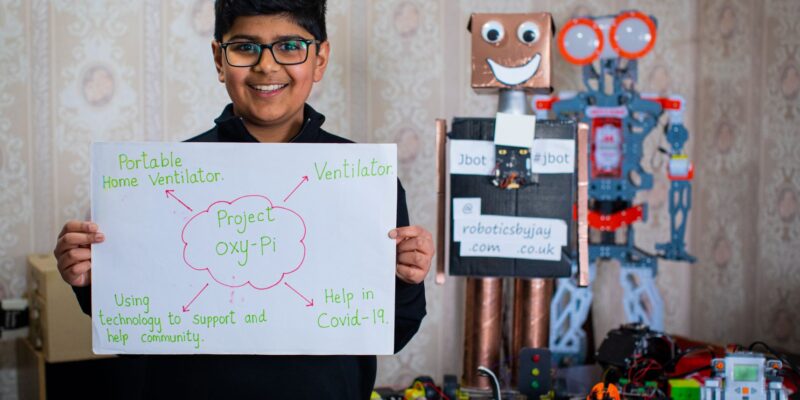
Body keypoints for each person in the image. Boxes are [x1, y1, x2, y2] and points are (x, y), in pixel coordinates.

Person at [52, 1, 433, 398]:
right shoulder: (157, 183)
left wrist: (406, 280)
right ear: (219, 59)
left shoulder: (366, 181)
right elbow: (132, 342)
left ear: (320, 59)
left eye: (289, 46)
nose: (266, 66)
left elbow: (393, 330)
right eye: (245, 47)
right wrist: (95, 282)